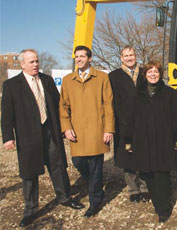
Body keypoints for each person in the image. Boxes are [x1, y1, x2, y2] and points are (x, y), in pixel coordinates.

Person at [1, 49, 84, 227]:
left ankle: (64, 198)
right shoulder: (11, 85)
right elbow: (6, 114)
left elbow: (58, 105)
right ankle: (30, 210)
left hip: (50, 132)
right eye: (31, 62)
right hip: (28, 137)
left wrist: (65, 127)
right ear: (22, 64)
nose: (35, 64)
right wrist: (8, 137)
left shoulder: (47, 80)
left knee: (58, 166)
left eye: (37, 61)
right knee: (30, 173)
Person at [59, 45, 115, 217]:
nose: (79, 59)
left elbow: (108, 105)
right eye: (77, 57)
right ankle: (95, 184)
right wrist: (66, 128)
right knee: (78, 162)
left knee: (96, 168)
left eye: (83, 56)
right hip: (76, 131)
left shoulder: (102, 78)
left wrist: (108, 129)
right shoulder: (68, 80)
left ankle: (95, 201)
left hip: (97, 130)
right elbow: (63, 107)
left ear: (90, 58)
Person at [128, 60, 177, 222]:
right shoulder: (137, 94)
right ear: (145, 75)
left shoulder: (169, 93)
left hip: (164, 140)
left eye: (156, 72)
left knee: (162, 175)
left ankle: (164, 209)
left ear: (160, 75)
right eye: (149, 72)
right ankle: (157, 203)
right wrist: (129, 141)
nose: (153, 74)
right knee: (148, 174)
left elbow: (176, 118)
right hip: (143, 141)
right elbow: (131, 119)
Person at [109, 45, 150, 203]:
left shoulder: (146, 73)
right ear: (121, 58)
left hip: (145, 123)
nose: (129, 58)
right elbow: (111, 101)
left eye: (131, 55)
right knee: (128, 156)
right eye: (125, 56)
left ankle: (146, 187)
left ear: (136, 56)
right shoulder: (114, 76)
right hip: (125, 125)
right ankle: (134, 189)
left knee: (145, 155)